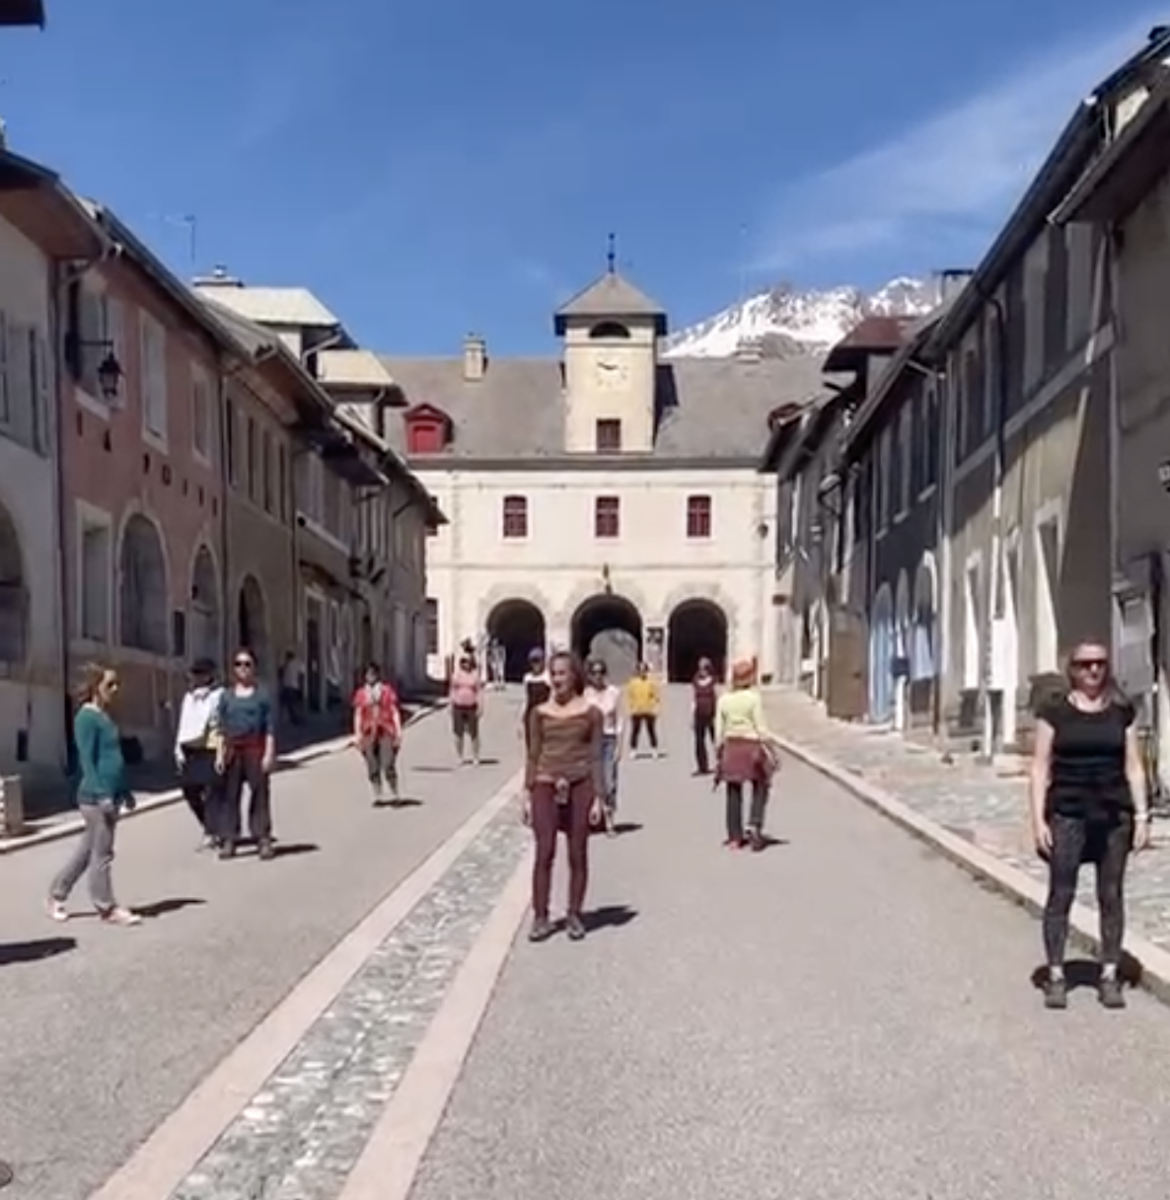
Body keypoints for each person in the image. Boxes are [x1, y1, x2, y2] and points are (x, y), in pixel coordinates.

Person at [1031, 640, 1150, 1010]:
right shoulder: (1055, 713)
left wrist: (1143, 815)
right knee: (1061, 894)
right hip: (1068, 813)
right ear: (1073, 670)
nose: (1093, 671)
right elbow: (1040, 767)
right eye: (1085, 665)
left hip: (1114, 815)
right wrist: (1038, 820)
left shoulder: (1120, 713)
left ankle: (1109, 974)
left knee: (1110, 896)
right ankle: (1055, 974)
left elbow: (1133, 765)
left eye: (1099, 664)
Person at [47, 663, 141, 926]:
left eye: (116, 683)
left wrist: (125, 791)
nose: (115, 689)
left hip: (112, 792)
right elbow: (87, 760)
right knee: (103, 853)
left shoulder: (105, 716)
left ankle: (57, 894)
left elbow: (113, 757)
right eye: (109, 684)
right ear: (94, 687)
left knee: (87, 852)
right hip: (95, 797)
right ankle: (106, 907)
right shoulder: (86, 718)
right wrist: (102, 794)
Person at [524, 651, 605, 942]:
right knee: (544, 850)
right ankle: (541, 917)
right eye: (554, 673)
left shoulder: (591, 714)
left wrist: (599, 797)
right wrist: (526, 792)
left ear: (574, 677)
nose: (557, 679)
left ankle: (574, 914)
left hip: (580, 784)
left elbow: (596, 757)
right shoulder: (539, 713)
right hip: (545, 785)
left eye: (562, 673)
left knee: (577, 852)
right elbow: (533, 754)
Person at [214, 648, 277, 860]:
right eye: (238, 664)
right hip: (232, 750)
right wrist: (219, 755)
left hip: (254, 749)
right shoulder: (226, 696)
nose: (242, 668)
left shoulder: (262, 696)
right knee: (230, 796)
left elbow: (269, 727)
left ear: (254, 668)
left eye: (247, 664)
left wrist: (269, 754)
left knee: (259, 794)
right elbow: (221, 728)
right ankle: (229, 839)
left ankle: (263, 838)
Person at [715, 658, 777, 852]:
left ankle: (734, 837)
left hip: (731, 746)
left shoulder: (724, 700)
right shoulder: (753, 698)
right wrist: (771, 749)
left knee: (733, 791)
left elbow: (719, 730)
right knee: (761, 783)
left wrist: (719, 752)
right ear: (750, 678)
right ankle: (754, 823)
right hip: (751, 747)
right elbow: (761, 727)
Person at [175, 657, 224, 849]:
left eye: (200, 674)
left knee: (212, 792)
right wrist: (178, 749)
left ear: (209, 675)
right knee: (190, 789)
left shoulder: (218, 696)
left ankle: (212, 832)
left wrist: (221, 751)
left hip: (210, 748)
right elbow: (183, 724)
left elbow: (221, 725)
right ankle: (210, 825)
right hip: (190, 749)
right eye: (194, 674)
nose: (196, 677)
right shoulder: (189, 698)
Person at [352, 662, 403, 804]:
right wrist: (357, 734)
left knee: (388, 763)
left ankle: (394, 791)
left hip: (385, 730)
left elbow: (394, 711)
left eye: (373, 674)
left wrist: (398, 731)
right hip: (368, 731)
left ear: (378, 675)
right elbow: (358, 714)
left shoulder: (387, 691)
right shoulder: (361, 694)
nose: (370, 677)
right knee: (372, 764)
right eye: (368, 674)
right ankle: (377, 793)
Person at [585, 658, 623, 836]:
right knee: (591, 782)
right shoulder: (585, 694)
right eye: (594, 672)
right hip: (589, 741)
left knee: (609, 782)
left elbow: (620, 720)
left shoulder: (614, 692)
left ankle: (609, 820)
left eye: (601, 672)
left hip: (608, 739)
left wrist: (619, 746)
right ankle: (593, 817)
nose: (598, 676)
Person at [448, 652, 483, 765]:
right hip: (458, 706)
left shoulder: (475, 675)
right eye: (463, 661)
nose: (465, 664)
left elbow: (479, 691)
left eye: (467, 661)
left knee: (474, 733)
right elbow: (452, 689)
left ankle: (475, 756)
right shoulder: (456, 674)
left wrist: (480, 706)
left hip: (471, 706)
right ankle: (460, 756)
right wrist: (450, 704)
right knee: (458, 733)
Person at [625, 661, 662, 758]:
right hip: (636, 710)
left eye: (644, 670)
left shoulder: (651, 682)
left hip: (649, 710)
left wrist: (656, 708)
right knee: (635, 731)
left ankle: (654, 749)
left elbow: (656, 696)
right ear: (637, 671)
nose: (642, 672)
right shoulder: (632, 683)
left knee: (651, 730)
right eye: (640, 670)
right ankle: (633, 750)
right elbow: (630, 696)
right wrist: (630, 708)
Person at [692, 657, 719, 775]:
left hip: (712, 714)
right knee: (699, 741)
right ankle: (702, 767)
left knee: (716, 740)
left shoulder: (713, 681)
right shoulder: (695, 680)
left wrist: (719, 715)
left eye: (705, 668)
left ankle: (721, 764)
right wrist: (692, 715)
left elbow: (718, 697)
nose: (702, 670)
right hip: (699, 714)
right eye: (701, 668)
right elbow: (693, 698)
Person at [521, 647, 551, 745]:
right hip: (530, 713)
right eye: (533, 661)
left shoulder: (548, 677)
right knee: (531, 743)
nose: (536, 664)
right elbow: (525, 698)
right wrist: (522, 717)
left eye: (538, 660)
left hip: (545, 713)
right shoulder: (527, 678)